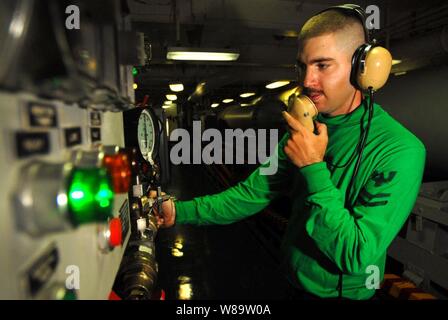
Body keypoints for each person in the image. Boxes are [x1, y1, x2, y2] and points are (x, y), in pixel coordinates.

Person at [154, 5, 426, 300]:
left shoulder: (400, 150)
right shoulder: (302, 129)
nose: (307, 81)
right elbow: (251, 194)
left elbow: (356, 255)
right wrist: (180, 210)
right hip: (287, 282)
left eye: (323, 65)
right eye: (303, 66)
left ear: (362, 68)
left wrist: (312, 167)